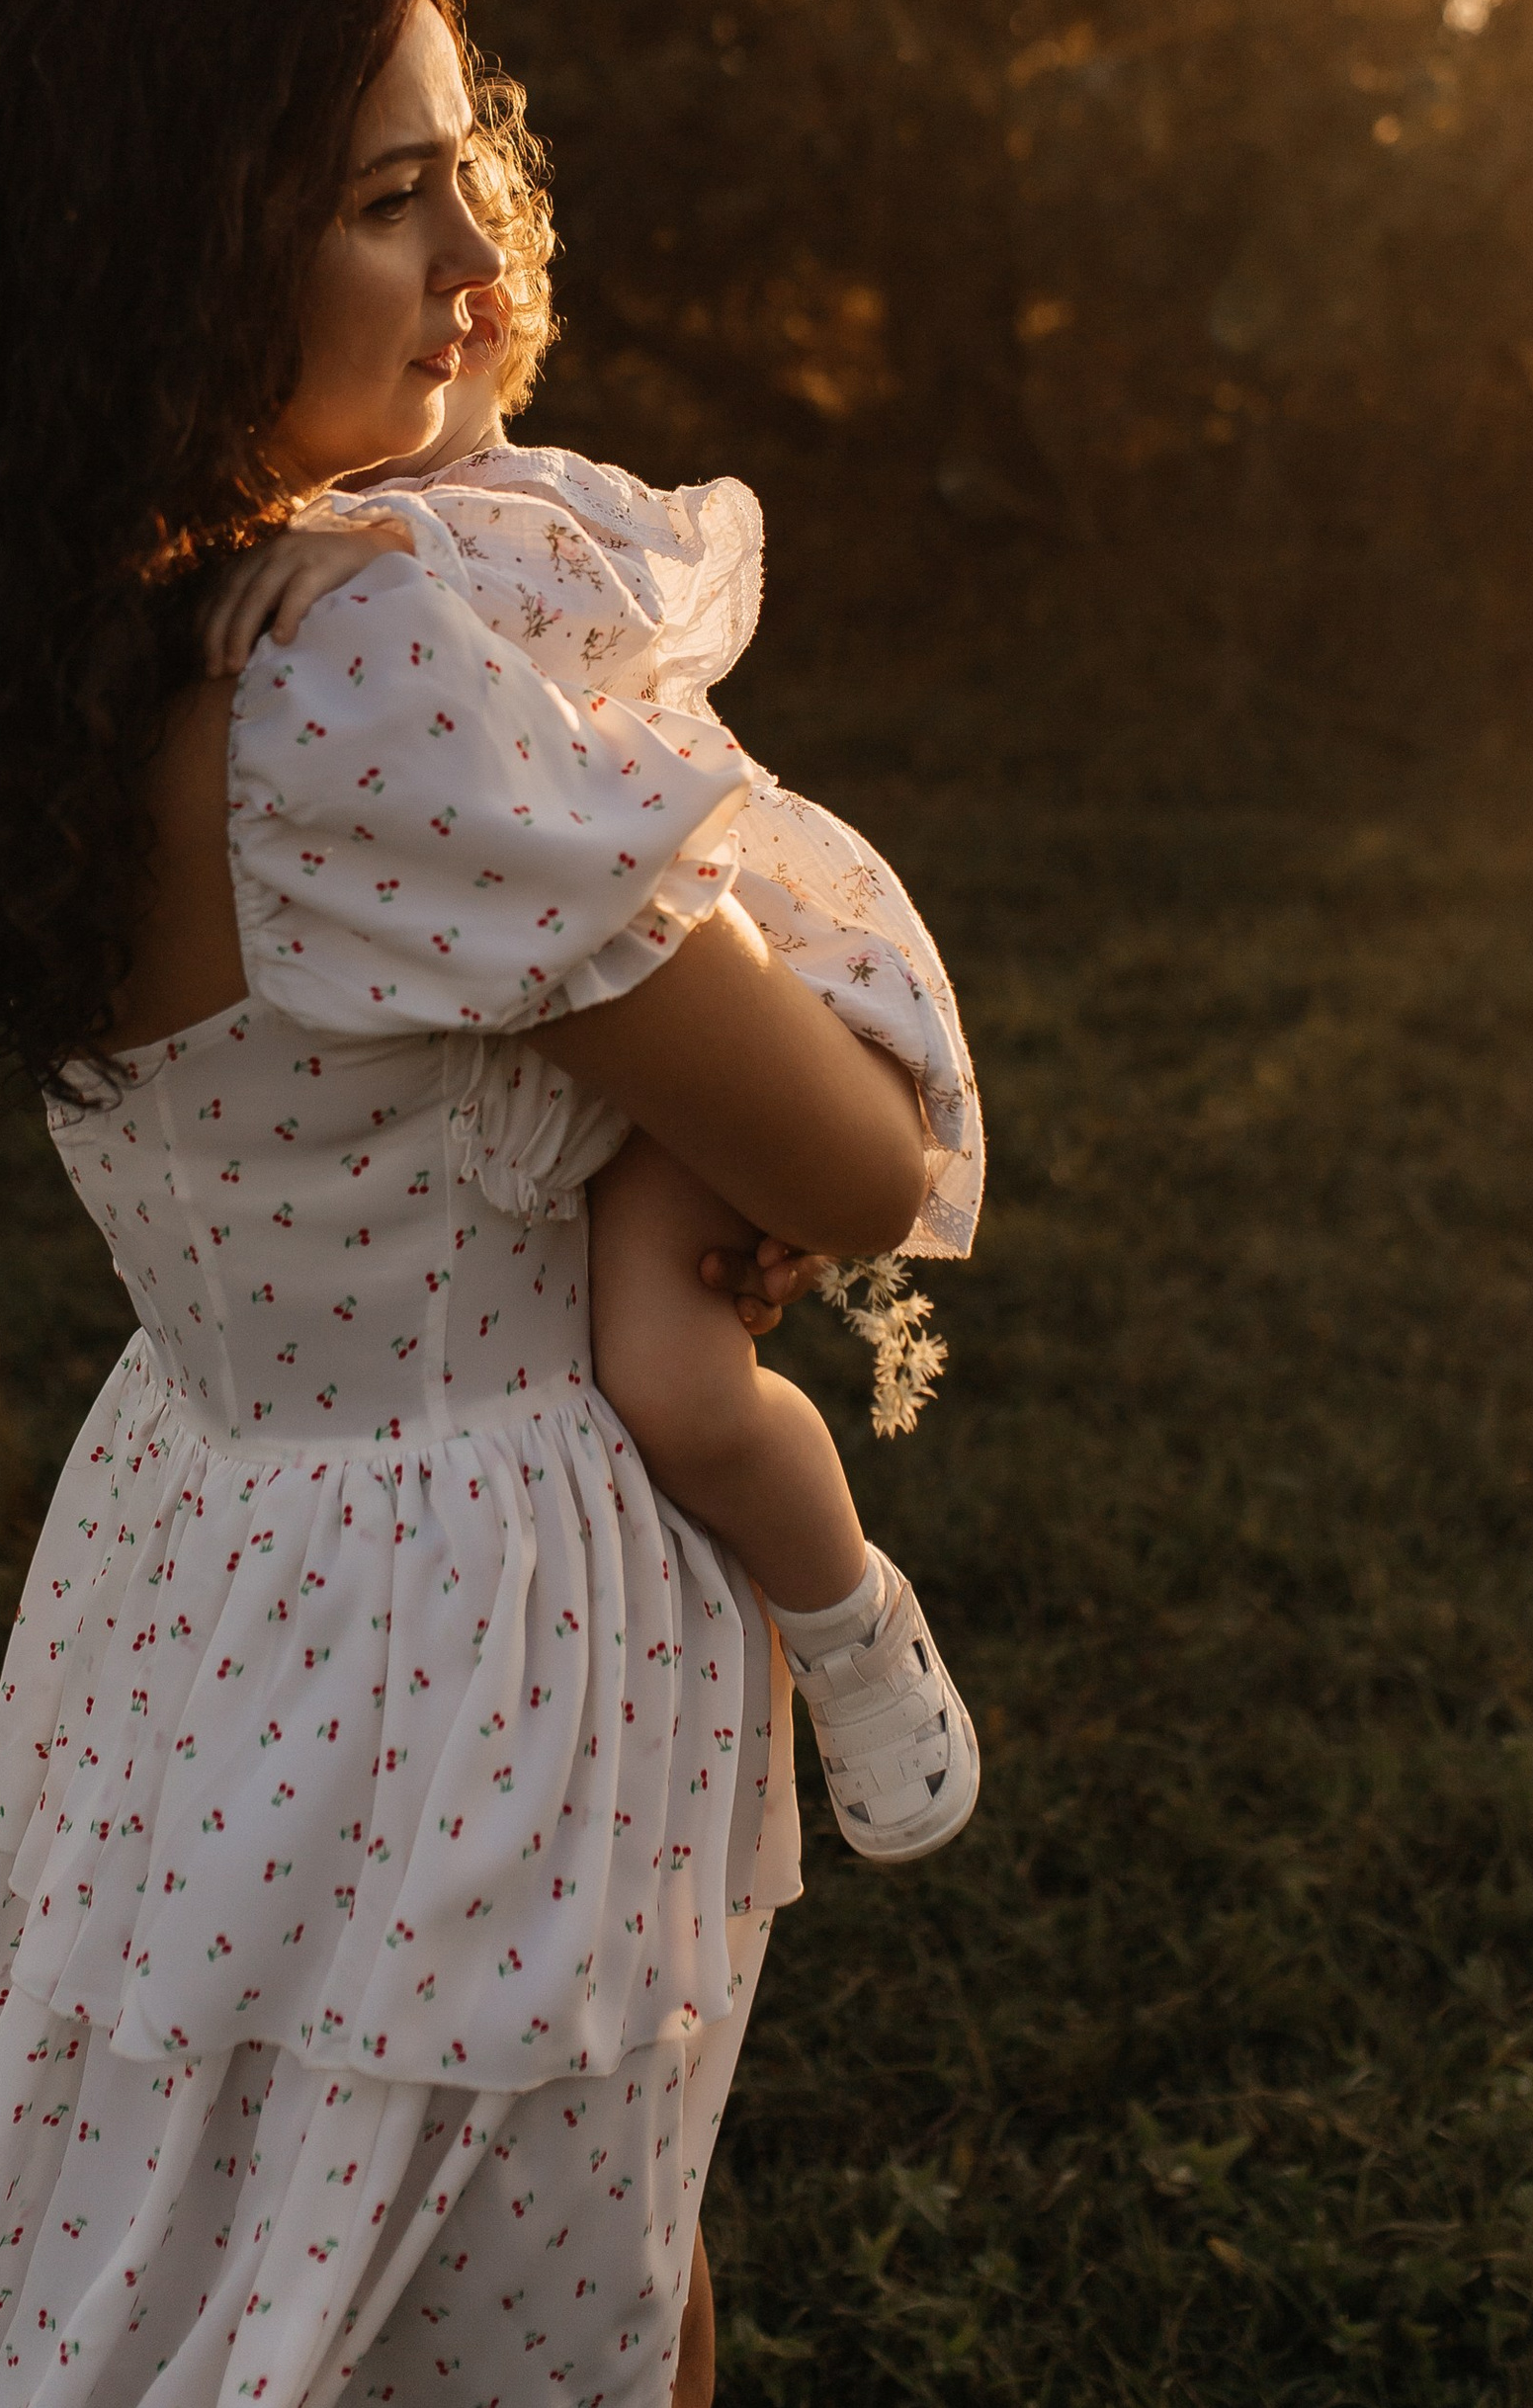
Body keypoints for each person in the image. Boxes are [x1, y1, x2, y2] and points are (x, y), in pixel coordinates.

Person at [0, 0, 941, 2408]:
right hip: (469, 1645)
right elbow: (858, 1164)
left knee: (524, 2335)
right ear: (179, 254)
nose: (471, 255)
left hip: (226, 1570)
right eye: (384, 195)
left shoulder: (90, 630)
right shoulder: (379, 674)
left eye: (469, 171)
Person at [198, 161, 984, 1868]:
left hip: (705, 937)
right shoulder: (317, 597)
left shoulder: (496, 521)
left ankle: (848, 1619)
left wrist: (366, 532)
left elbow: (564, 614)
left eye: (483, 306)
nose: (462, 301)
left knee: (676, 1375)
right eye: (394, 219)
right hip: (585, 982)